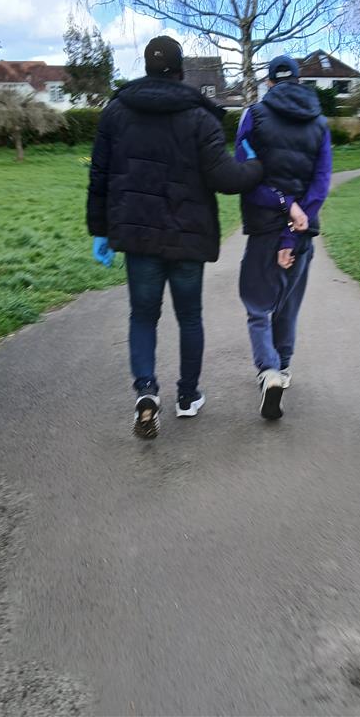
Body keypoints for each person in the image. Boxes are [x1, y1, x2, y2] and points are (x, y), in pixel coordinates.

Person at [87, 36, 263, 439]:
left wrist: (100, 230)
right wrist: (255, 165)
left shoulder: (116, 112)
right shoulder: (200, 116)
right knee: (189, 318)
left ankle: (146, 392)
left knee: (142, 316)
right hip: (187, 237)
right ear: (181, 71)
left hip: (138, 237)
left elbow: (99, 175)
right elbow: (225, 177)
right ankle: (187, 396)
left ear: (147, 67)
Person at [236, 55, 332, 419]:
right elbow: (322, 180)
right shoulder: (319, 123)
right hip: (303, 231)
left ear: (269, 83)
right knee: (288, 303)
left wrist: (282, 203)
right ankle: (284, 366)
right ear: (298, 80)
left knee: (257, 305)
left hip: (263, 228)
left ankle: (269, 370)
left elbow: (246, 173)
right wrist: (296, 220)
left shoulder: (253, 115)